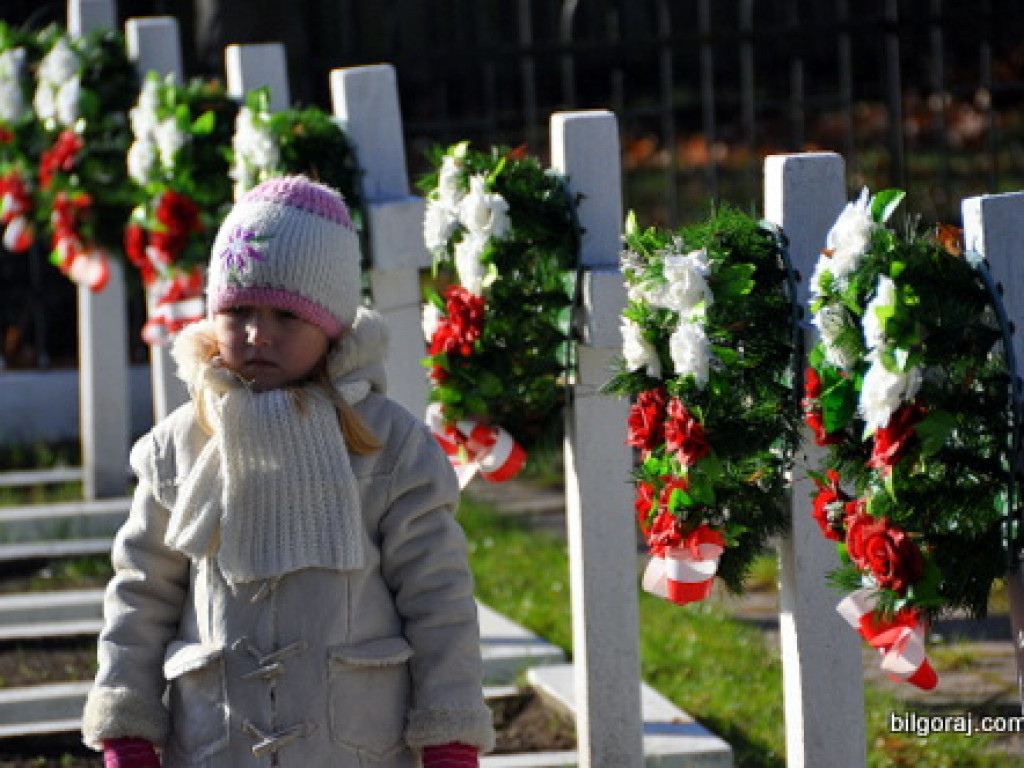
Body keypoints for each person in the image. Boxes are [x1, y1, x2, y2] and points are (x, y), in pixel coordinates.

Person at [82, 175, 495, 767]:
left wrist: (449, 732)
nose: (256, 334)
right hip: (215, 743)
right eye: (238, 310)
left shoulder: (389, 444)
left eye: (285, 314)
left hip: (355, 745)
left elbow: (439, 597)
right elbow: (141, 590)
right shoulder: (181, 444)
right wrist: (126, 721)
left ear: (329, 325)